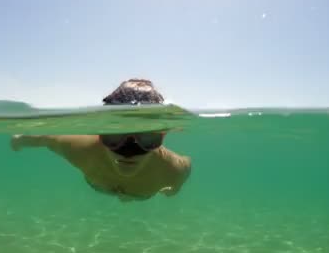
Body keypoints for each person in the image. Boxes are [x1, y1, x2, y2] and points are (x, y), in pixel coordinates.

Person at [10, 79, 192, 202]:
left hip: (109, 187)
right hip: (107, 187)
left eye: (146, 138)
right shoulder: (82, 149)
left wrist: (174, 189)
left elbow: (186, 165)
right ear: (100, 132)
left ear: (162, 135)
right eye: (115, 136)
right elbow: (46, 137)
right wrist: (20, 140)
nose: (128, 151)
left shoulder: (174, 170)